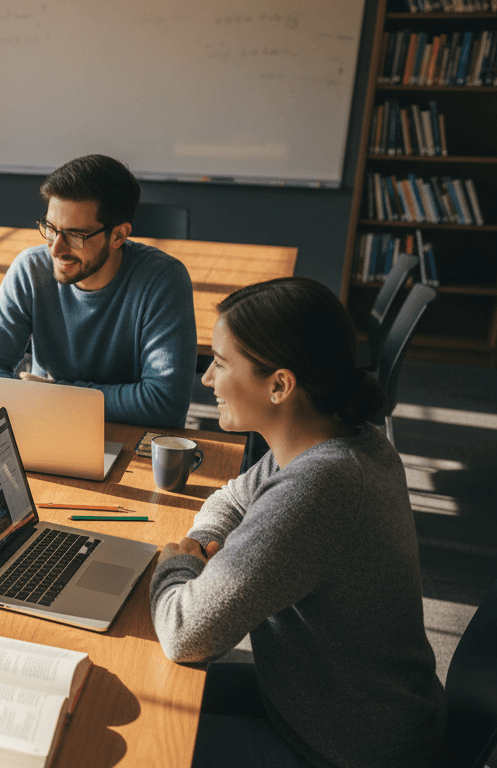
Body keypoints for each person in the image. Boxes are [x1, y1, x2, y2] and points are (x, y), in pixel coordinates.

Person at [150, 277, 447, 768]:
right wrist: (201, 546)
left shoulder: (319, 487)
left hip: (343, 750)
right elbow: (231, 497)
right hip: (324, 706)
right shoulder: (332, 438)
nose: (206, 379)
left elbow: (185, 633)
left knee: (147, 745)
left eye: (221, 364)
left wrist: (177, 568)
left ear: (280, 385)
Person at [0, 154, 196, 428]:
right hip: (47, 423)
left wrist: (56, 393)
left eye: (75, 236)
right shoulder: (30, 269)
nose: (55, 249)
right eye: (50, 229)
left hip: (127, 435)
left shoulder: (163, 280)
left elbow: (164, 403)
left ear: (118, 236)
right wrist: (48, 398)